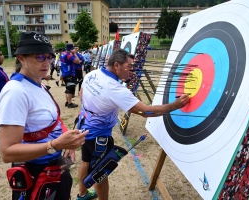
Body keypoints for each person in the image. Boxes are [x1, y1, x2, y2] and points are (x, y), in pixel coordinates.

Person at [76, 49, 189, 200]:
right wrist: (174, 105)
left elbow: (81, 94)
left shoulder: (93, 74)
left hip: (83, 129)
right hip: (99, 137)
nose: (132, 70)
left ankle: (82, 194)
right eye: (129, 66)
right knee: (101, 173)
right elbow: (146, 112)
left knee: (86, 161)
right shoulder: (114, 88)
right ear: (116, 65)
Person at [0, 31, 88, 200]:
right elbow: (7, 152)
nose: (47, 62)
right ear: (21, 58)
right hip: (35, 172)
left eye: (49, 57)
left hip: (53, 168)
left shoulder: (39, 84)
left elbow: (54, 120)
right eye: (39, 57)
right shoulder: (16, 92)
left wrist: (67, 143)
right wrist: (54, 145)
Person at [60, 43, 81, 108]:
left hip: (65, 72)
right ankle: (70, 103)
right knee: (70, 88)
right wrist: (74, 54)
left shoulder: (62, 54)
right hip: (70, 73)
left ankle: (67, 102)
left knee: (67, 88)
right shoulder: (68, 55)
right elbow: (78, 61)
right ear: (71, 49)